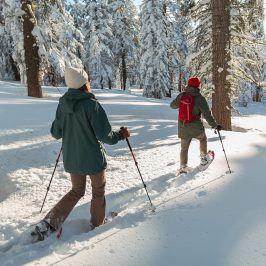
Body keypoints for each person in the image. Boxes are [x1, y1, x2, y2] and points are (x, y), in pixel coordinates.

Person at [32, 67, 130, 241]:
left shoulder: (63, 104)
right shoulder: (92, 105)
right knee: (98, 191)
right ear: (85, 83)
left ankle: (48, 223)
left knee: (76, 191)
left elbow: (55, 132)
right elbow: (105, 136)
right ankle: (97, 225)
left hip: (72, 158)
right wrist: (121, 135)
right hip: (92, 159)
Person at [170, 76, 221, 173]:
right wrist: (214, 125)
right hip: (196, 127)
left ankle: (183, 166)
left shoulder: (182, 95)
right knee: (202, 139)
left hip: (183, 126)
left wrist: (180, 101)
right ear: (198, 86)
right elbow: (207, 115)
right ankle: (204, 160)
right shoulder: (200, 99)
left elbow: (172, 106)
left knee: (184, 148)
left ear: (188, 85)